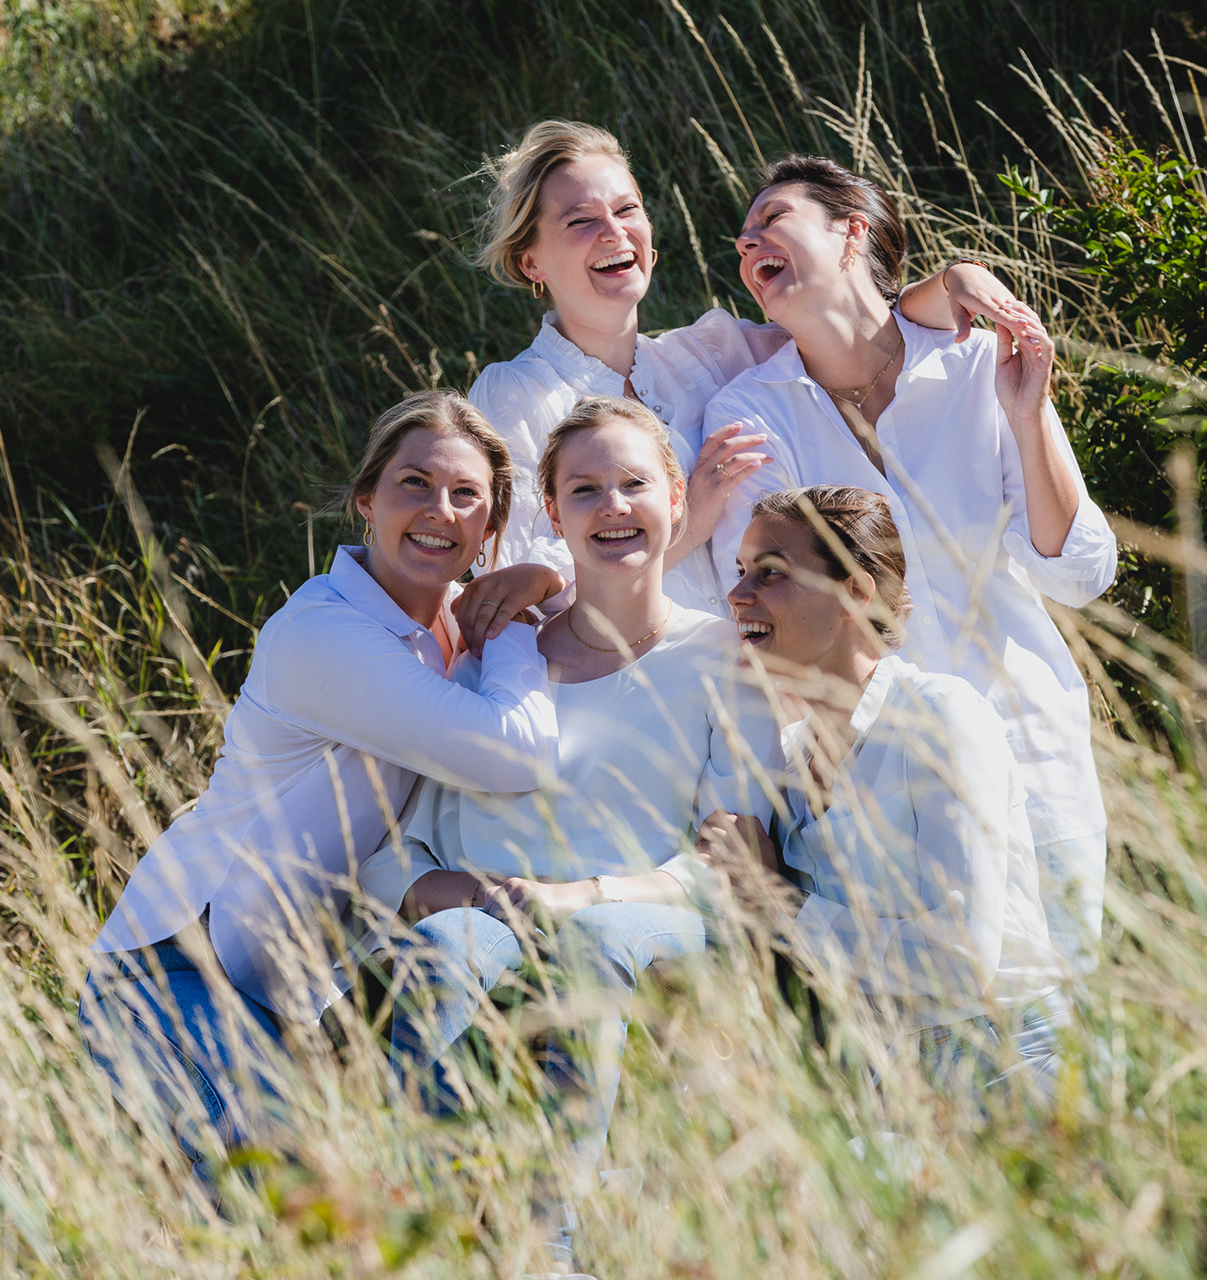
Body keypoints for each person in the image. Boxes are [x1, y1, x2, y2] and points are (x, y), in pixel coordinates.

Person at [79, 391, 560, 1178]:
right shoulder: (324, 630)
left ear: (489, 528)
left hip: (286, 993)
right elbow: (511, 753)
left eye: (466, 495)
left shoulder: (446, 634)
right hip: (172, 975)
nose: (439, 509)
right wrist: (513, 620)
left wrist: (538, 576)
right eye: (415, 483)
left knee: (326, 1215)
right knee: (277, 1210)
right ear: (366, 500)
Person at [359, 397, 774, 1273]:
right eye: (585, 490)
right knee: (441, 949)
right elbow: (398, 847)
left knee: (590, 943)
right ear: (554, 515)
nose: (613, 507)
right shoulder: (499, 656)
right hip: (494, 910)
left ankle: (549, 1247)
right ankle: (420, 1232)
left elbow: (723, 863)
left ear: (674, 495)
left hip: (635, 915)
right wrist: (468, 895)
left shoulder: (724, 658)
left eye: (634, 484)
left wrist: (580, 898)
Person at [703, 154, 1116, 970]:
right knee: (929, 1038)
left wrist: (1027, 420)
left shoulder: (974, 364)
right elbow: (767, 615)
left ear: (852, 231)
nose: (749, 248)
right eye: (741, 242)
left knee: (1063, 1044)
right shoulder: (750, 414)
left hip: (1034, 749)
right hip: (882, 787)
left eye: (772, 222)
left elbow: (1080, 574)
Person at [452, 119, 1034, 646]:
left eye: (627, 210)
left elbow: (844, 325)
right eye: (580, 221)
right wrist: (689, 520)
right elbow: (522, 595)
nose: (613, 232)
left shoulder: (705, 355)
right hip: (633, 690)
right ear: (531, 262)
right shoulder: (514, 394)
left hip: (754, 689)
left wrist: (948, 282)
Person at [698, 487, 1062, 1094]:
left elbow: (961, 959)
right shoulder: (787, 760)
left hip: (1004, 1060)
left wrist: (779, 900)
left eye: (770, 573)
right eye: (739, 572)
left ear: (855, 593)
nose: (737, 595)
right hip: (880, 1078)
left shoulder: (940, 715)